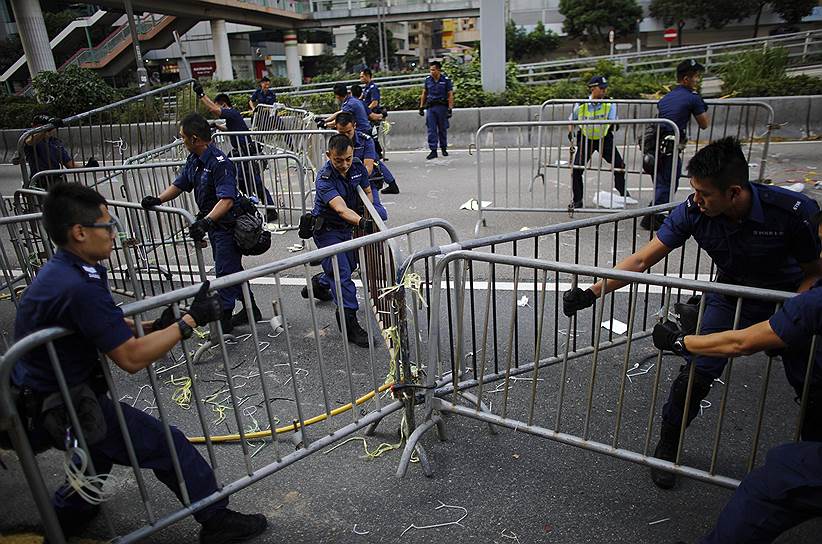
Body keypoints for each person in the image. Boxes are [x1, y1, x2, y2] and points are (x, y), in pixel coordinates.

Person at [9, 182, 267, 543]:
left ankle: (68, 514)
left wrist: (154, 325)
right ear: (80, 232)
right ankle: (215, 518)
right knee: (167, 445)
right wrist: (187, 323)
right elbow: (130, 357)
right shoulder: (75, 284)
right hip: (59, 402)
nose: (114, 232)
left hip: (58, 395)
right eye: (106, 225)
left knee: (96, 452)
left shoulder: (71, 269)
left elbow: (107, 322)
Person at [562, 137, 822, 490]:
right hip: (731, 295)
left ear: (734, 192)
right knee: (698, 367)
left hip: (788, 298)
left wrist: (794, 312)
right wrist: (592, 292)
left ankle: (812, 463)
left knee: (811, 381)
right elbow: (642, 259)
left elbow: (813, 270)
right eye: (694, 191)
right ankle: (667, 444)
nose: (696, 200)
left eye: (705, 194)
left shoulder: (792, 211)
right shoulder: (693, 211)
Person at [653, 280, 822, 544]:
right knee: (694, 379)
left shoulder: (814, 300)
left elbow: (742, 343)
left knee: (775, 483)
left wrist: (679, 341)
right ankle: (668, 442)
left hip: (777, 310)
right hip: (734, 297)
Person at [140, 113, 262, 333]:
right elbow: (180, 184)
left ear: (195, 138)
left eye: (182, 137)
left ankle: (223, 324)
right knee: (233, 269)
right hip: (214, 224)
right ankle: (251, 309)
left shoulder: (219, 163)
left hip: (226, 225)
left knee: (225, 274)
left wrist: (205, 222)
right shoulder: (194, 159)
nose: (181, 140)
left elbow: (226, 200)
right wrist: (158, 199)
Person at [301, 134, 375, 348]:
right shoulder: (324, 178)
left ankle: (320, 283)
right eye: (338, 160)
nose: (344, 165)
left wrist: (367, 211)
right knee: (342, 274)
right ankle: (349, 323)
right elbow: (341, 208)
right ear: (328, 156)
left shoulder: (358, 166)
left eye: (348, 159)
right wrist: (363, 221)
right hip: (328, 231)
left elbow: (367, 191)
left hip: (347, 228)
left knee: (348, 266)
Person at [192, 81, 278, 223]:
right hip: (241, 152)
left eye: (218, 105)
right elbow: (231, 130)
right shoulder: (233, 117)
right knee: (243, 181)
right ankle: (254, 208)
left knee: (253, 181)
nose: (215, 110)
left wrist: (201, 95)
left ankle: (270, 209)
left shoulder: (231, 113)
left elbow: (215, 110)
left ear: (224, 105)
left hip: (246, 152)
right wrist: (218, 126)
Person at [642, 59, 711, 231]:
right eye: (695, 77)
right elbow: (704, 123)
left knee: (662, 181)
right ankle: (653, 216)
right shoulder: (692, 98)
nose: (697, 80)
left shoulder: (667, 97)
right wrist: (700, 104)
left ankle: (654, 212)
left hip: (656, 144)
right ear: (686, 79)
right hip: (669, 146)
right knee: (668, 181)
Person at [567, 75, 629, 210]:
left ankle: (623, 193)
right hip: (586, 138)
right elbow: (571, 120)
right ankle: (577, 200)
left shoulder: (609, 103)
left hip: (604, 138)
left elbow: (614, 121)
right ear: (593, 89)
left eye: (605, 89)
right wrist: (571, 134)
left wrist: (614, 125)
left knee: (619, 165)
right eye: (601, 88)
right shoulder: (582, 103)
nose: (604, 92)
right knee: (577, 170)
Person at [17, 115, 96, 189]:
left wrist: (86, 167)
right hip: (40, 181)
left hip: (56, 181)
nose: (50, 132)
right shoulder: (29, 135)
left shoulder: (55, 143)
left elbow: (70, 165)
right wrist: (44, 130)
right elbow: (29, 141)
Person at [335, 111, 399, 199]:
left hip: (365, 181)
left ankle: (392, 184)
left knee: (377, 210)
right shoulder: (334, 143)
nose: (346, 136)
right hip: (343, 182)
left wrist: (355, 179)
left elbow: (368, 169)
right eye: (342, 133)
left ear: (354, 126)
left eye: (348, 132)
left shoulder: (366, 141)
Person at [419, 61, 454, 160]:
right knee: (431, 129)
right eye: (430, 70)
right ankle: (433, 150)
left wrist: (450, 109)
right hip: (431, 107)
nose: (431, 72)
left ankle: (443, 148)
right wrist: (421, 107)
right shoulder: (428, 80)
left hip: (442, 107)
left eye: (433, 70)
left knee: (442, 129)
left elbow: (450, 95)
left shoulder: (446, 80)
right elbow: (424, 93)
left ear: (439, 70)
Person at [358, 69, 388, 161]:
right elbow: (360, 99)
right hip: (368, 115)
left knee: (373, 135)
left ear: (367, 76)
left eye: (362, 76)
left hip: (373, 115)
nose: (360, 78)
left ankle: (378, 154)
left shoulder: (373, 88)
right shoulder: (366, 88)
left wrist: (365, 110)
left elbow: (374, 103)